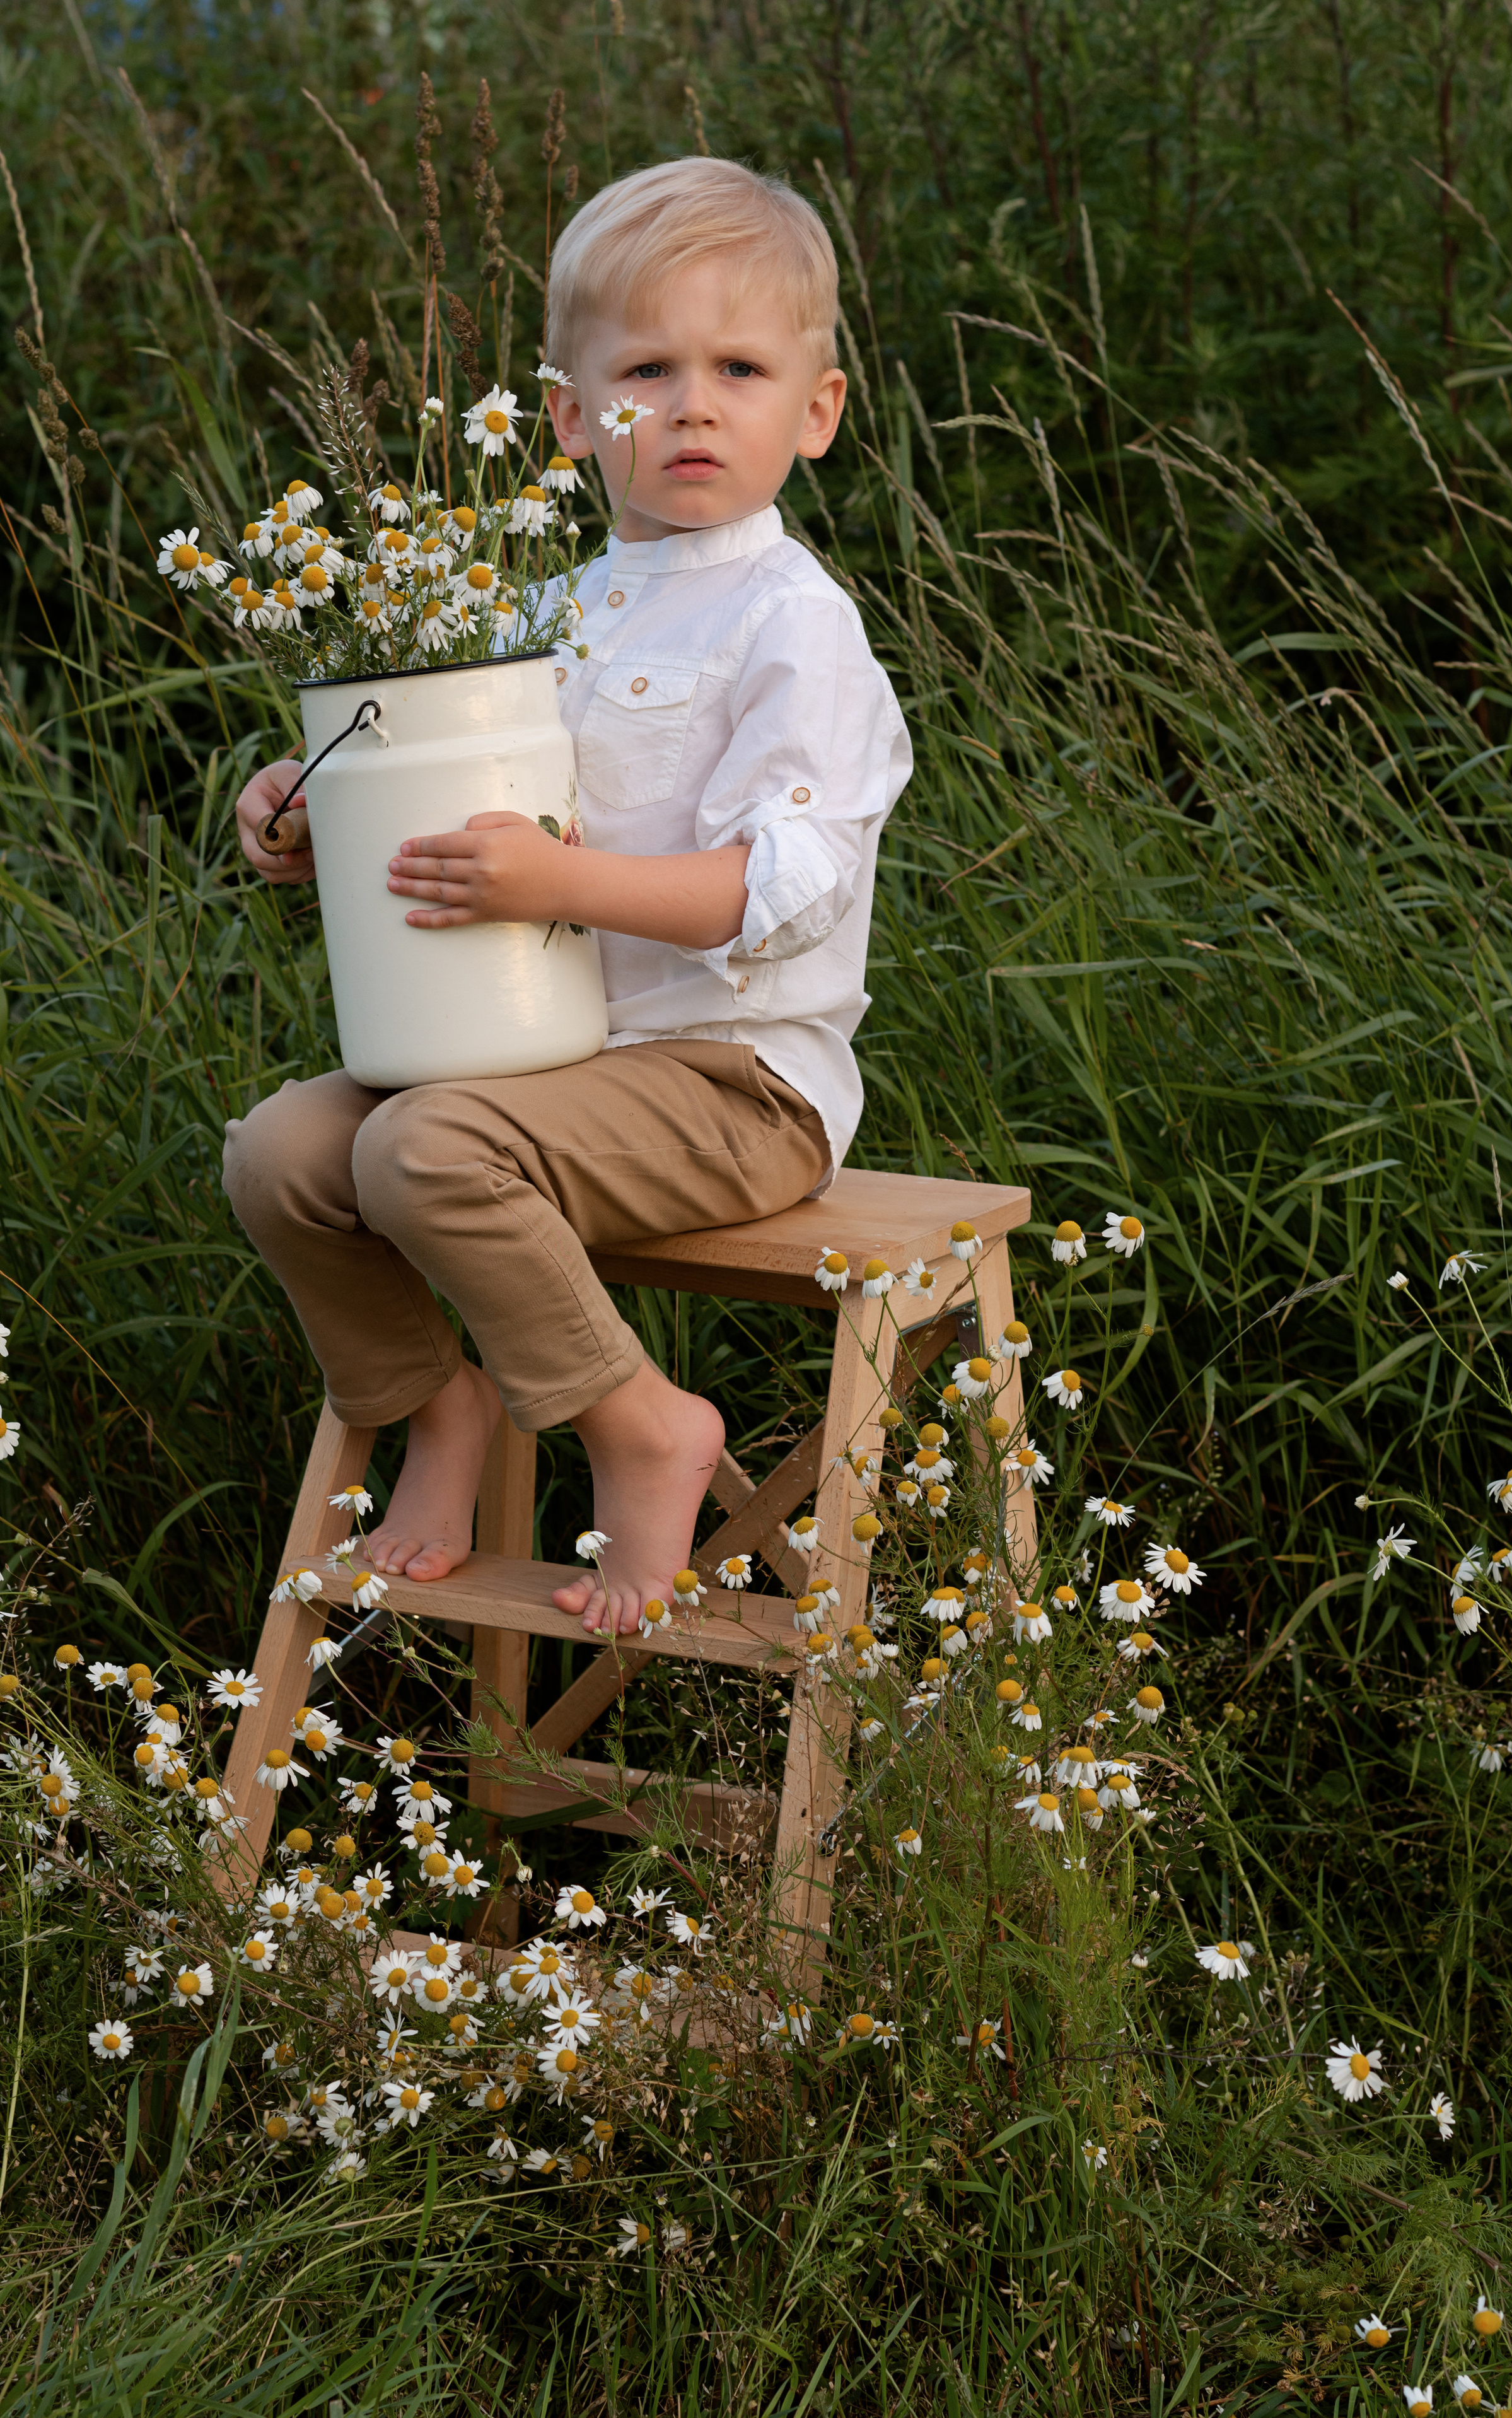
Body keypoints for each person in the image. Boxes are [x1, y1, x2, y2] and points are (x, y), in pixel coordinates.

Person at [223, 155, 911, 1638]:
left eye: (737, 368)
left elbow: (785, 889)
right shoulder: (546, 611)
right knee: (281, 1150)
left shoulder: (794, 627)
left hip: (736, 1082)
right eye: (645, 371)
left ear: (816, 411)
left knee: (419, 1147)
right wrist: (307, 808)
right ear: (568, 421)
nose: (691, 404)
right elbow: (438, 801)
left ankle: (641, 1424)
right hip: (551, 1063)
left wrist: (556, 878)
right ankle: (439, 1407)